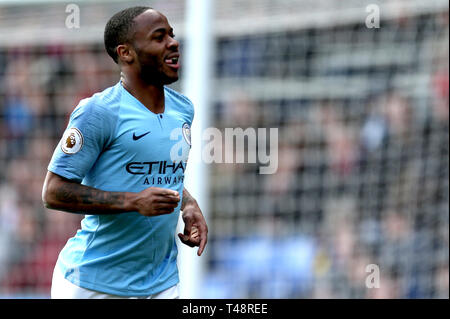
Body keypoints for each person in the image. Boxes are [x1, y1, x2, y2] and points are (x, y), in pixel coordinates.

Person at [42, 6, 208, 299]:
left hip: (162, 282)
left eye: (171, 34)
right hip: (93, 283)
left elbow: (160, 171)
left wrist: (188, 204)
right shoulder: (98, 112)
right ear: (126, 53)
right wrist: (133, 202)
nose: (173, 42)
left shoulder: (183, 109)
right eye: (159, 37)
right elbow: (53, 192)